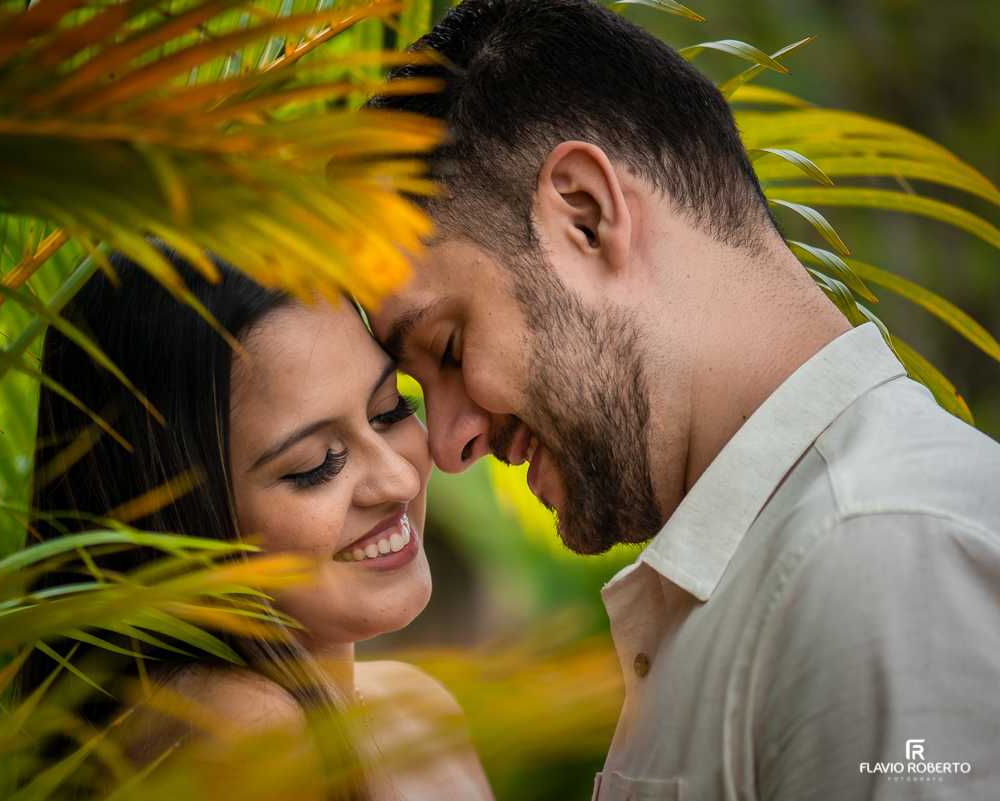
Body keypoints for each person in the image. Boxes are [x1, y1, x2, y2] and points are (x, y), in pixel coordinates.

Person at [366, 0, 1000, 798]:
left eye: (452, 349)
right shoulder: (780, 567)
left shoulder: (880, 563)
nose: (448, 442)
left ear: (587, 215)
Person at [22, 243, 494, 801]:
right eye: (315, 466)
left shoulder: (415, 707)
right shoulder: (239, 733)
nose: (401, 480)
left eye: (390, 410)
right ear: (178, 517)